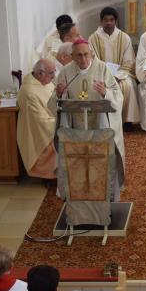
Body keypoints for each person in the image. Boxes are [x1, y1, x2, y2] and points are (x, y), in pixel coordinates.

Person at [49, 38, 125, 200]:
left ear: (91, 54)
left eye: (86, 55)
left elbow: (118, 97)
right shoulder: (66, 72)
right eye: (78, 56)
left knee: (100, 160)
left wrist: (106, 93)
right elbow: (53, 103)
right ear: (72, 56)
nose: (83, 59)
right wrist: (58, 94)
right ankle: (77, 191)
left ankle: (103, 192)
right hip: (76, 128)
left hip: (99, 126)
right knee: (77, 160)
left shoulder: (102, 69)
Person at [88, 6, 141, 124]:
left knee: (128, 86)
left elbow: (129, 61)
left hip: (120, 75)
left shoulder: (124, 37)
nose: (108, 23)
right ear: (101, 21)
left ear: (116, 21)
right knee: (97, 88)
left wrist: (118, 76)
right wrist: (106, 76)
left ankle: (127, 120)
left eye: (111, 20)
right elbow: (93, 60)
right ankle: (103, 120)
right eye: (106, 20)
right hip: (101, 75)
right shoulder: (93, 38)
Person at [17, 59, 57, 181]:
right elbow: (41, 122)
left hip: (50, 121)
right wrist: (61, 123)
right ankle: (56, 174)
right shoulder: (30, 92)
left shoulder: (44, 81)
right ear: (40, 73)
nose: (54, 76)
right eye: (51, 73)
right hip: (38, 133)